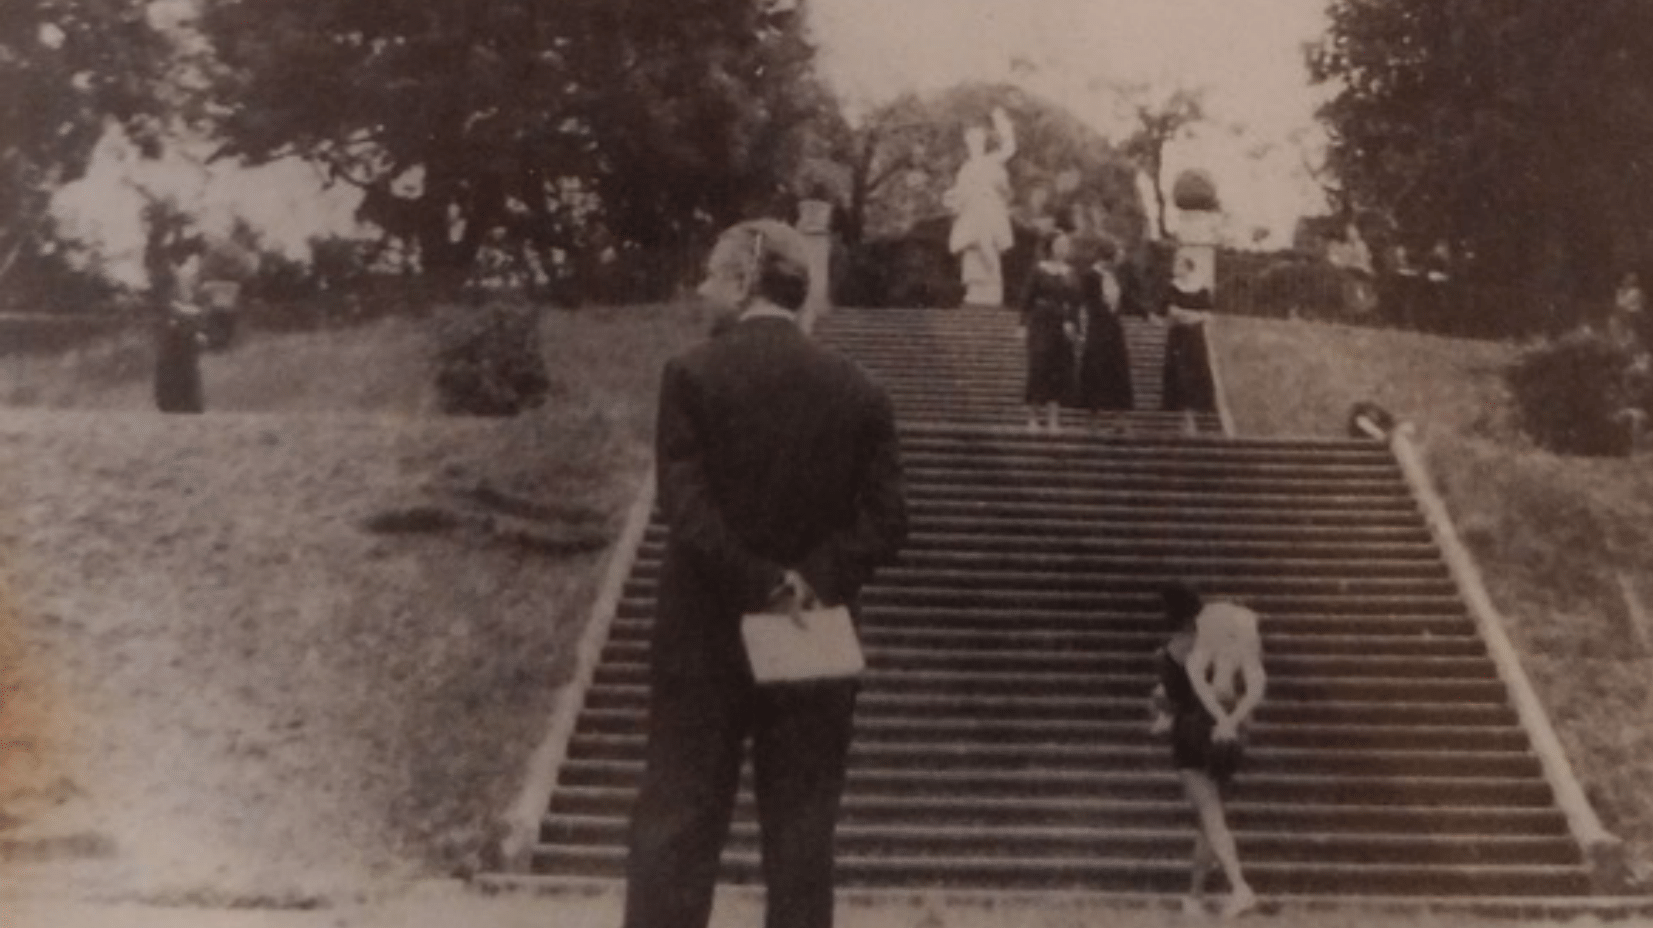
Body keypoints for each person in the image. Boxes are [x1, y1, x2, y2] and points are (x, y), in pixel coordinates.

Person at [623, 218, 909, 928]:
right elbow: (886, 521)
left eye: (712, 275)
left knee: (678, 823)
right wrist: (807, 580)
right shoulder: (860, 389)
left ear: (744, 282)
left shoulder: (690, 374)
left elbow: (684, 511)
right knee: (802, 835)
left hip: (702, 634)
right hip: (813, 631)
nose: (700, 288)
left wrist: (760, 581)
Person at [1149, 582, 1266, 919]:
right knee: (1208, 818)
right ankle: (1195, 895)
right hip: (1223, 734)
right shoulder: (1221, 640)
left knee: (1211, 817)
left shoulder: (1172, 650)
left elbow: (1170, 701)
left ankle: (1240, 887)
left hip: (1190, 735)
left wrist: (1161, 716)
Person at [945, 107, 1017, 306]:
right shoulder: (965, 168)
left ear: (984, 142)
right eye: (971, 140)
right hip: (971, 212)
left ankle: (994, 287)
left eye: (979, 140)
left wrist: (1003, 125)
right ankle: (977, 290)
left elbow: (1009, 148)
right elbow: (959, 192)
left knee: (987, 245)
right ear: (967, 143)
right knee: (973, 250)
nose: (975, 144)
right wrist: (952, 198)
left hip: (987, 211)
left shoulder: (990, 160)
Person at [1017, 231, 1081, 432]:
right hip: (1041, 322)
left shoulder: (1071, 272)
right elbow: (1026, 299)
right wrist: (1022, 325)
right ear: (1050, 246)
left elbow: (1075, 303)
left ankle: (1054, 420)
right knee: (1038, 367)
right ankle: (1033, 418)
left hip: (1062, 324)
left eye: (1066, 245)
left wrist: (1073, 324)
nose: (1064, 248)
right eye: (1059, 244)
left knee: (1059, 370)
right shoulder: (1039, 269)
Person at [1074, 237, 1136, 424]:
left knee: (1118, 366)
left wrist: (1147, 314)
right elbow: (1085, 301)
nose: (1120, 258)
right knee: (1096, 366)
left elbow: (1126, 298)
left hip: (1114, 327)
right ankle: (1093, 413)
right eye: (1117, 254)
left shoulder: (1114, 275)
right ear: (1108, 256)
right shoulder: (1090, 275)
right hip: (1098, 326)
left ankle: (1119, 415)